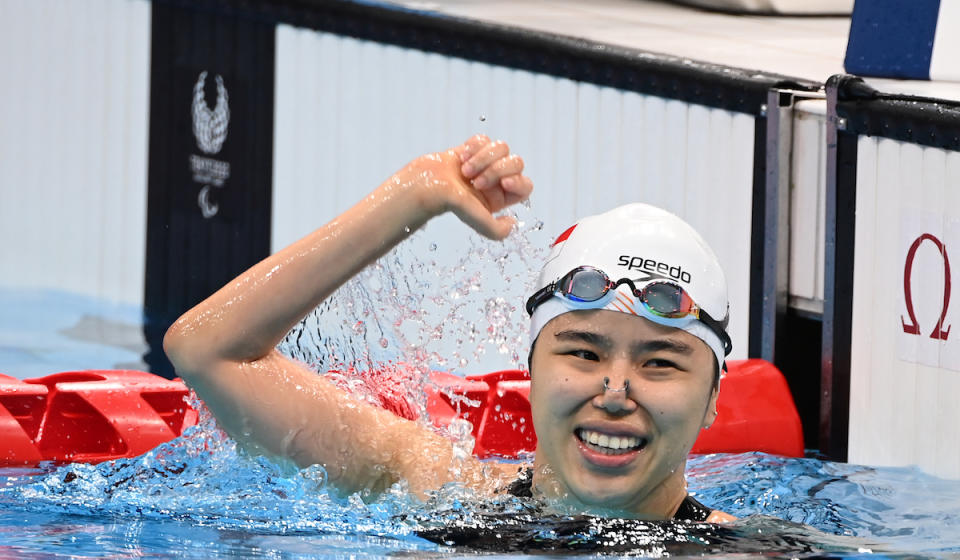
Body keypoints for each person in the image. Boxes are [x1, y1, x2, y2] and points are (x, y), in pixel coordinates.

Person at [163, 135, 735, 523]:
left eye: (659, 362)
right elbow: (208, 350)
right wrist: (415, 194)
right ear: (531, 372)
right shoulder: (436, 490)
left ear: (712, 398)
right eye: (583, 354)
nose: (614, 392)